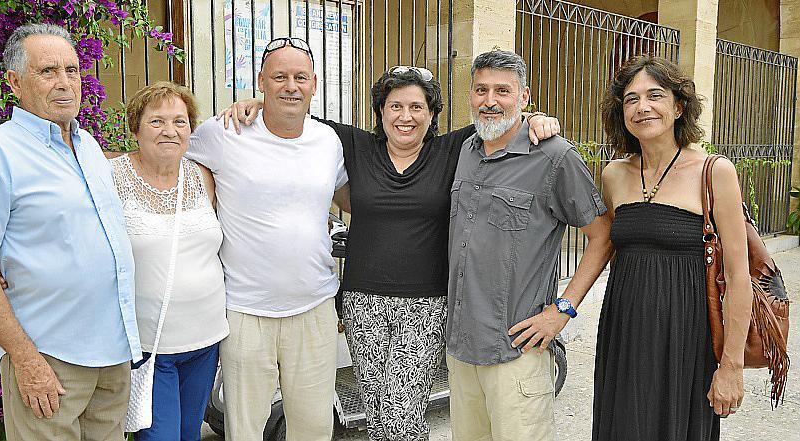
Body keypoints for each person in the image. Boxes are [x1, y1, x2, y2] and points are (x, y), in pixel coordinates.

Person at [220, 66, 559, 440]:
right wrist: (256, 103)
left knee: (402, 416)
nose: (406, 116)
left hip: (425, 304)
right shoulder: (353, 144)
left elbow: (500, 119)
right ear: (380, 112)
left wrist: (537, 119)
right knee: (378, 413)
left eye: (417, 107)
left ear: (432, 116)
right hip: (363, 303)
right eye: (395, 106)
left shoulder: (452, 149)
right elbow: (291, 115)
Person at [0, 23, 141, 440]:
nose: (64, 83)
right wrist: (25, 359)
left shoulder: (89, 147)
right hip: (49, 361)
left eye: (71, 71)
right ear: (15, 82)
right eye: (48, 71)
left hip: (111, 356)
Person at [185, 37, 348, 440]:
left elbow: (353, 197)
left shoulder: (329, 141)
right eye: (279, 77)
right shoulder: (223, 132)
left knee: (313, 429)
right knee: (244, 430)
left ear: (314, 83)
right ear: (261, 81)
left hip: (314, 308)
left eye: (300, 77)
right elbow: (164, 161)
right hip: (245, 311)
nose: (290, 86)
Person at [445, 49, 612, 441]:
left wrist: (562, 310)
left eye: (503, 90)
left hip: (516, 352)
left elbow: (603, 235)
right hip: (461, 348)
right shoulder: (463, 151)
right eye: (481, 89)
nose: (490, 100)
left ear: (524, 97)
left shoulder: (554, 156)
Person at [593, 55, 751, 441]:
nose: (642, 107)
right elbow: (603, 244)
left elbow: (738, 274)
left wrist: (731, 365)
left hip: (686, 339)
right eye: (630, 99)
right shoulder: (613, 175)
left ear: (678, 107)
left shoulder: (714, 172)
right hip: (624, 335)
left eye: (655, 95)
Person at [110, 81, 227, 440]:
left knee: (190, 434)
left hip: (206, 341)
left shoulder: (203, 177)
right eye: (157, 121)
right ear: (136, 128)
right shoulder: (112, 177)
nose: (169, 131)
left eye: (179, 121)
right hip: (150, 346)